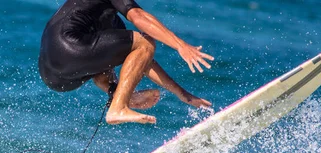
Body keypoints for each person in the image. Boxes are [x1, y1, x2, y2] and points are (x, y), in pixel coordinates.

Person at [38, 0, 214, 124]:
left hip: (53, 74)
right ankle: (119, 107)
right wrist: (180, 45)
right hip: (69, 44)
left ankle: (117, 94)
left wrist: (182, 94)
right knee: (145, 41)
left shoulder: (109, 20)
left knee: (117, 57)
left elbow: (143, 60)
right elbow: (138, 17)